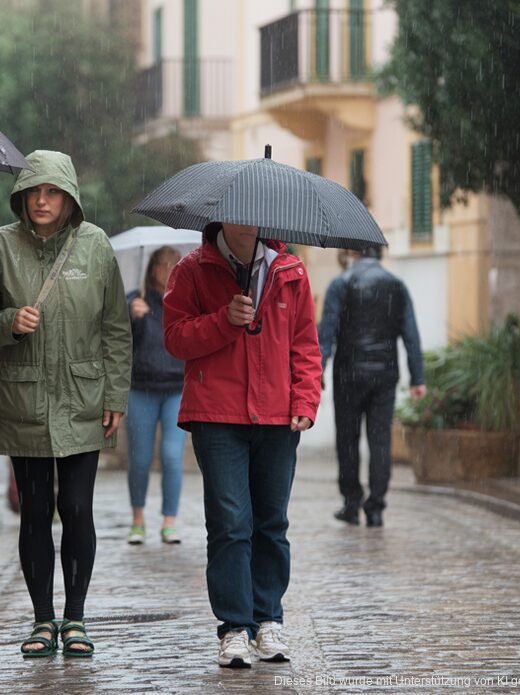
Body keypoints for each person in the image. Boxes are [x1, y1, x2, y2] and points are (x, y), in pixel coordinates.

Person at [0, 150, 131, 659]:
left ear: (69, 198)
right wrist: (7, 324)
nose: (42, 201)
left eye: (53, 192)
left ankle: (76, 619)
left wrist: (116, 394)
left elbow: (115, 328)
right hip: (26, 394)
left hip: (84, 396)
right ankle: (43, 620)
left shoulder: (95, 246)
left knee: (78, 507)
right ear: (22, 196)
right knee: (35, 510)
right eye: (34, 192)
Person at [163, 222, 321, 668]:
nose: (245, 222)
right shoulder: (191, 270)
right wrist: (223, 321)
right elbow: (174, 338)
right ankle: (234, 627)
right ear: (220, 217)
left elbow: (306, 345)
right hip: (217, 416)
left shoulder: (291, 271)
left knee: (271, 522)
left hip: (276, 416)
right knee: (231, 523)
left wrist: (306, 400)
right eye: (236, 214)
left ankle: (268, 619)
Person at [317, 245, 425, 528]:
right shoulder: (395, 285)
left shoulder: (341, 283)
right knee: (380, 441)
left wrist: (317, 371)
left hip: (349, 374)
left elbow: (327, 332)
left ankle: (352, 503)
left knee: (347, 440)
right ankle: (376, 507)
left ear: (352, 251)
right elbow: (411, 334)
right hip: (384, 375)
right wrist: (418, 378)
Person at [125, 246, 187, 545]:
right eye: (162, 264)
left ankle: (169, 521)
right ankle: (137, 519)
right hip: (141, 389)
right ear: (151, 268)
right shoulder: (135, 298)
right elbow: (117, 338)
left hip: (177, 388)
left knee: (172, 457)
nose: (167, 270)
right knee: (139, 458)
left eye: (174, 264)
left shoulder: (186, 301)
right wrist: (131, 316)